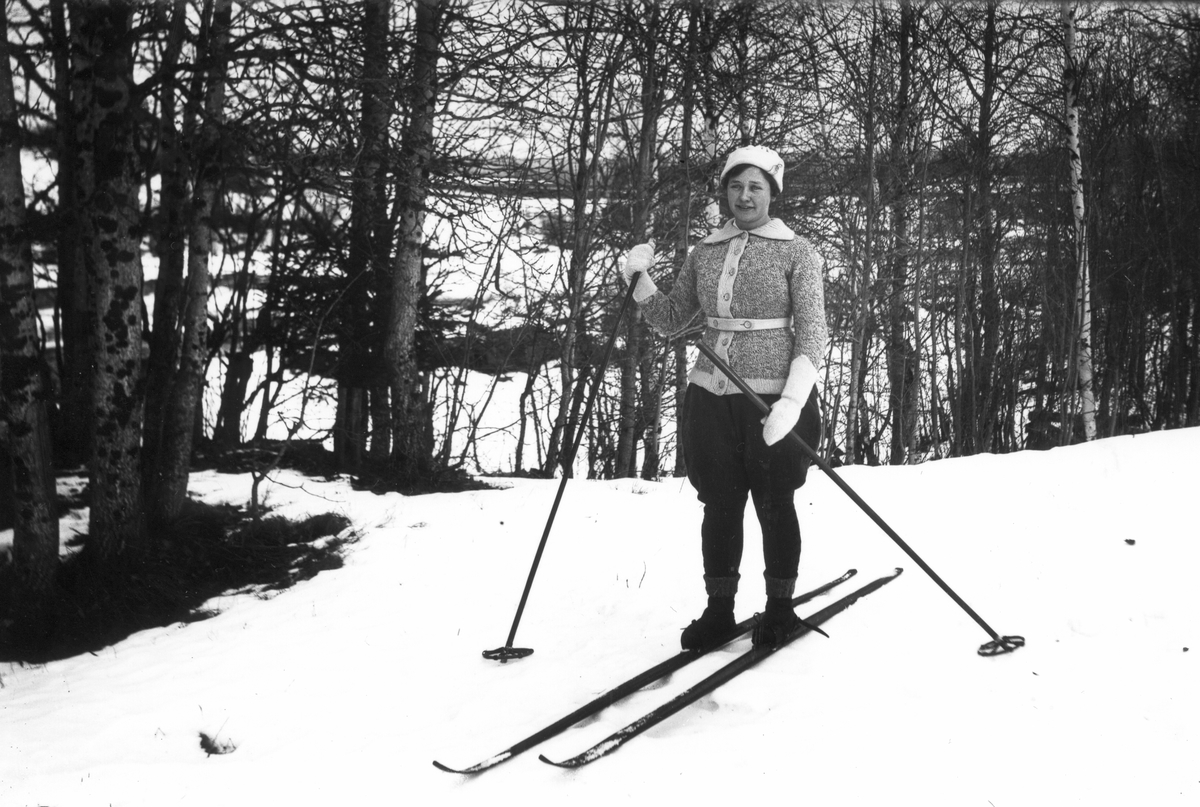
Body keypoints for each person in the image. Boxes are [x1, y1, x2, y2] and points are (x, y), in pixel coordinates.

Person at [620, 145, 828, 649]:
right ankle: (719, 611)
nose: (745, 195)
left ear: (772, 192)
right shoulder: (705, 252)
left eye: (756, 186)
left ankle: (780, 608)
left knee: (775, 504)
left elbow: (814, 333)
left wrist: (792, 402)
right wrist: (640, 280)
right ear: (726, 191)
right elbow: (674, 322)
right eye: (736, 186)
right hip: (710, 395)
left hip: (773, 403)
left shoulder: (797, 251)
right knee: (720, 505)